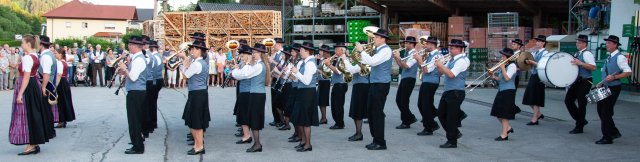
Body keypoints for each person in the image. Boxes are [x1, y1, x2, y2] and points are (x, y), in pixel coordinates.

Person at [9, 35, 56, 155]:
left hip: (28, 86)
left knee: (28, 114)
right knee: (33, 113)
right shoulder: (35, 55)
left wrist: (20, 94)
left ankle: (32, 143)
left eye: (22, 43)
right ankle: (34, 143)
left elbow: (26, 77)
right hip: (33, 85)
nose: (21, 45)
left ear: (28, 44)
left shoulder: (28, 58)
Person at [355, 28, 392, 150]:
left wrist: (362, 51)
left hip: (381, 85)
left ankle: (380, 142)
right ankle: (376, 139)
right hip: (375, 83)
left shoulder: (386, 50)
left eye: (376, 37)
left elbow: (372, 62)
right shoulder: (378, 49)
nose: (373, 39)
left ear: (383, 39)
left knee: (377, 113)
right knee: (371, 112)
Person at [233, 43, 271, 152]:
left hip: (257, 95)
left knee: (255, 120)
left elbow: (245, 75)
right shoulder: (259, 64)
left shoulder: (259, 65)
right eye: (253, 52)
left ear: (260, 53)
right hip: (256, 94)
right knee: (254, 119)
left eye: (255, 52)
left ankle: (257, 144)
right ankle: (256, 143)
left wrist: (236, 70)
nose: (253, 54)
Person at [595, 35, 632, 144]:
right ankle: (614, 131)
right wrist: (601, 83)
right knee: (600, 110)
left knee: (605, 112)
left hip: (613, 87)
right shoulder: (609, 56)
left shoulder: (619, 57)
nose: (606, 44)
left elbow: (628, 72)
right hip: (604, 86)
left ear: (615, 45)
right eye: (606, 43)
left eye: (609, 43)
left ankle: (607, 137)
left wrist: (614, 77)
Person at [435, 39, 470, 148]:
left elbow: (451, 75)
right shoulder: (452, 59)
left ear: (459, 49)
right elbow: (441, 73)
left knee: (451, 117)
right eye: (450, 47)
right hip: (448, 90)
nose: (450, 50)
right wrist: (438, 65)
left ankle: (452, 141)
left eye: (452, 48)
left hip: (456, 91)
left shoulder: (463, 60)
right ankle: (454, 133)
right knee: (440, 114)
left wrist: (441, 65)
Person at [178, 40, 211, 154]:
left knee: (196, 121)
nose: (192, 50)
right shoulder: (199, 62)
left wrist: (184, 62)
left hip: (197, 94)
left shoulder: (197, 63)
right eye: (192, 48)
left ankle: (199, 146)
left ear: (201, 51)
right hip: (198, 93)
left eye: (195, 49)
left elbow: (185, 75)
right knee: (193, 121)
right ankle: (198, 145)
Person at [118, 36, 148, 154]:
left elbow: (134, 77)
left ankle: (138, 146)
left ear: (135, 46)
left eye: (130, 44)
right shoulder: (136, 58)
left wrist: (125, 69)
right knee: (135, 119)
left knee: (134, 120)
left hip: (136, 92)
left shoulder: (139, 59)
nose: (128, 46)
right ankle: (137, 142)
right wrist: (124, 70)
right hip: (137, 92)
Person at [290, 42, 319, 152]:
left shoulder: (310, 64)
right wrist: (292, 74)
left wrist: (296, 72)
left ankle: (308, 144)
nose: (300, 52)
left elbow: (306, 81)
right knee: (300, 118)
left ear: (307, 51)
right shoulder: (304, 62)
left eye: (301, 50)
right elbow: (298, 79)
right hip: (302, 92)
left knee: (306, 120)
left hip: (308, 93)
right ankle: (303, 141)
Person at [565, 35, 596, 134]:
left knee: (582, 104)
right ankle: (581, 120)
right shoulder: (578, 53)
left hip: (585, 81)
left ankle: (579, 127)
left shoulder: (587, 54)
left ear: (584, 43)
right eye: (577, 42)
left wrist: (581, 63)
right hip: (577, 81)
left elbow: (593, 67)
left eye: (578, 42)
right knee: (568, 100)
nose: (577, 44)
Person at [340, 42, 369, 141]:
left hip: (361, 86)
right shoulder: (363, 58)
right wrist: (349, 58)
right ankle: (358, 132)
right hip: (359, 85)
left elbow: (352, 70)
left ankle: (359, 133)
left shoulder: (365, 59)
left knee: (357, 111)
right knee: (357, 111)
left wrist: (345, 59)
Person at [413, 36, 442, 136]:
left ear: (432, 45)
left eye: (428, 44)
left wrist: (419, 59)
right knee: (421, 104)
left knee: (425, 105)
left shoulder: (436, 56)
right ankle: (430, 123)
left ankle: (430, 126)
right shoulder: (430, 55)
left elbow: (426, 70)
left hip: (431, 82)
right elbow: (421, 67)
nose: (426, 46)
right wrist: (417, 59)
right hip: (426, 81)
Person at [489, 48, 518, 141]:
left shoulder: (512, 66)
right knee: (497, 112)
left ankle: (504, 134)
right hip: (502, 90)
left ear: (508, 57)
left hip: (508, 91)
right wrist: (493, 76)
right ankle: (508, 128)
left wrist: (502, 68)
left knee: (504, 114)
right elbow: (501, 79)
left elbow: (507, 78)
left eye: (504, 56)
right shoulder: (506, 65)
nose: (502, 57)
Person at [392, 36, 419, 129]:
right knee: (398, 100)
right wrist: (396, 58)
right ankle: (410, 117)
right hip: (404, 77)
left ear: (412, 44)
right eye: (405, 43)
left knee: (404, 101)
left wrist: (399, 57)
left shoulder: (414, 54)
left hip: (410, 78)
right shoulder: (407, 53)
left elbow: (407, 66)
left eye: (407, 43)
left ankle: (406, 121)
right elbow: (401, 65)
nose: (405, 45)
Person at [523, 35, 548, 125]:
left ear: (543, 43)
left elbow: (543, 65)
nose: (537, 42)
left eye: (539, 41)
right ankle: (538, 114)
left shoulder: (545, 53)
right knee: (528, 97)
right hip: (533, 75)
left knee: (535, 97)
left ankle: (535, 118)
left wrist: (532, 62)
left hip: (539, 76)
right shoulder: (535, 52)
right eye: (536, 41)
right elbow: (529, 60)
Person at [232, 46, 253, 143]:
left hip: (246, 92)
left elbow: (240, 76)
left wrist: (236, 69)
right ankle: (246, 134)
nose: (241, 57)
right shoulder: (246, 64)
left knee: (244, 114)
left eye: (242, 55)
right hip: (245, 91)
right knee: (243, 113)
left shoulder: (248, 66)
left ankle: (247, 136)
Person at [323, 44, 348, 130]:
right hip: (337, 84)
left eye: (337, 49)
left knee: (338, 105)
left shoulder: (343, 59)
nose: (335, 51)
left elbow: (338, 71)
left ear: (342, 50)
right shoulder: (338, 58)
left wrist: (329, 64)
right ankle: (338, 122)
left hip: (340, 84)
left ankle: (340, 123)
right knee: (334, 105)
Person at [54, 49, 76, 128]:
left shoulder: (59, 62)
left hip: (61, 82)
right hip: (64, 82)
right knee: (64, 101)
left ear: (60, 54)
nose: (55, 54)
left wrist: (55, 85)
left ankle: (61, 120)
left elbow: (59, 74)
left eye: (56, 53)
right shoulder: (64, 62)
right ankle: (63, 119)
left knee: (60, 102)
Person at [268, 38, 285, 127]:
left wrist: (272, 61)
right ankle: (276, 119)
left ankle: (280, 120)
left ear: (278, 44)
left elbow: (282, 67)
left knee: (277, 101)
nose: (273, 46)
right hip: (274, 78)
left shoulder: (283, 54)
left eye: (274, 44)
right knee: (273, 100)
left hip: (279, 79)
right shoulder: (275, 53)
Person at [316, 45, 331, 125]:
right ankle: (323, 117)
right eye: (320, 50)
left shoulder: (328, 59)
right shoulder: (321, 59)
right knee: (320, 100)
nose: (319, 52)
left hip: (325, 81)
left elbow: (328, 73)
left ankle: (324, 118)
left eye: (321, 51)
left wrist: (318, 70)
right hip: (320, 81)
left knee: (323, 100)